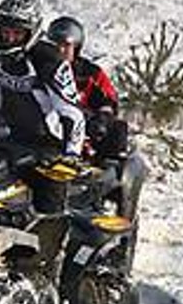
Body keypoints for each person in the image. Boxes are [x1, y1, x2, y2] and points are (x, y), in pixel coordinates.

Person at [0, 0, 87, 214]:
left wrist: (71, 154)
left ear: (31, 33)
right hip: (6, 140)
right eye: (5, 31)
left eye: (17, 33)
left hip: (48, 147)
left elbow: (71, 113)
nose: (9, 38)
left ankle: (57, 244)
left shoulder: (49, 60)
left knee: (50, 208)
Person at [45, 15, 146, 220]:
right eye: (55, 45)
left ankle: (109, 204)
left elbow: (108, 101)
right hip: (47, 130)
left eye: (66, 46)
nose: (60, 51)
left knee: (116, 131)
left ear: (77, 47)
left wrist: (101, 118)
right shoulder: (41, 67)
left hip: (85, 133)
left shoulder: (90, 73)